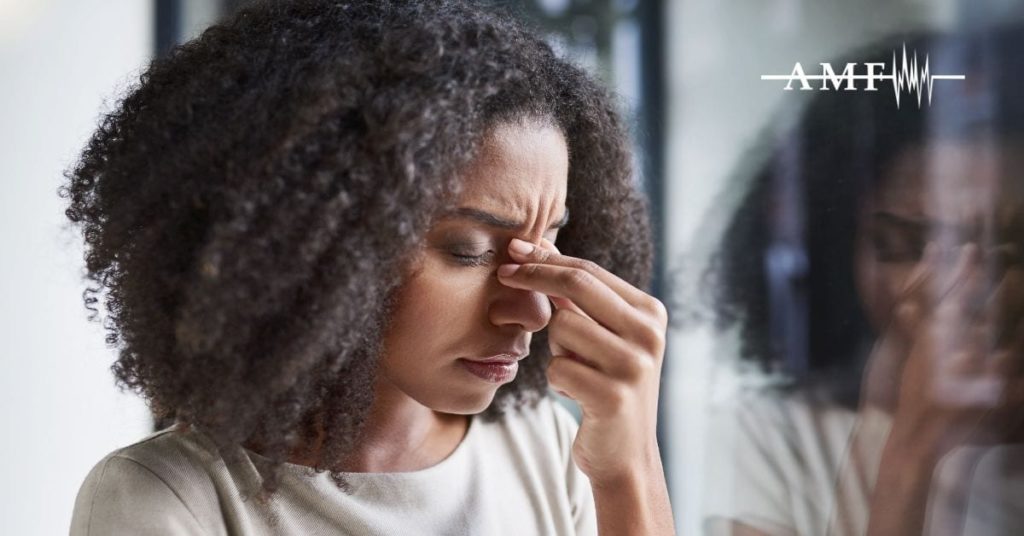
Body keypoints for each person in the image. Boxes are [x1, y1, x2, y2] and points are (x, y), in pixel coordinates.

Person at [61, 1, 674, 534]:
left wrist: (630, 470)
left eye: (551, 240)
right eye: (469, 249)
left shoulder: (545, 446)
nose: (534, 308)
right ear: (315, 243)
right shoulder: (171, 500)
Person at [701, 24, 1024, 536]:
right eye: (903, 247)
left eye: (1009, 248)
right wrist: (911, 450)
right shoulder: (784, 435)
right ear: (839, 248)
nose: (956, 287)